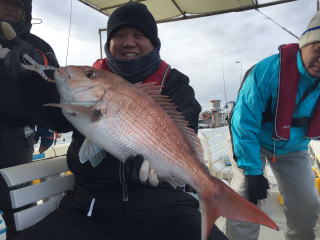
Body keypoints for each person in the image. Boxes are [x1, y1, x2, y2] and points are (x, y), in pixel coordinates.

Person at [13, 2, 228, 240]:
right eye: (119, 35)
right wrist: (29, 79)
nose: (128, 42)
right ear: (109, 44)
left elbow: (185, 133)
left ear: (154, 43)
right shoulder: (82, 89)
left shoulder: (175, 82)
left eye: (139, 35)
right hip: (91, 206)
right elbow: (56, 119)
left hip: (164, 206)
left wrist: (173, 171)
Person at [225, 12, 320, 240]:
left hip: (293, 148)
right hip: (251, 141)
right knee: (246, 197)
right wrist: (252, 171)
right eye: (318, 47)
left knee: (307, 205)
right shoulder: (268, 71)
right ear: (303, 45)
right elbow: (243, 123)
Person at [0, 0, 60, 238]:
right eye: (5, 3)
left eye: (18, 5)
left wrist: (37, 64)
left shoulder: (39, 47)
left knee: (19, 209)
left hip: (17, 137)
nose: (12, 9)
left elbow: (57, 87)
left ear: (27, 13)